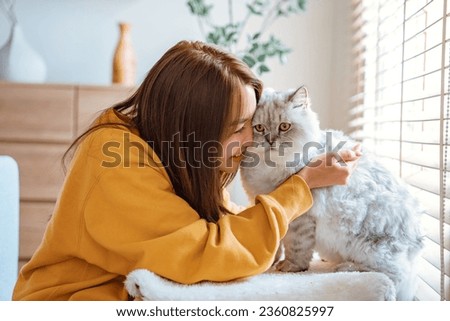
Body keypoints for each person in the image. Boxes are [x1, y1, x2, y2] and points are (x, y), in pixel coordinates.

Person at [13, 40, 361, 300]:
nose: (251, 138)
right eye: (239, 126)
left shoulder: (185, 157)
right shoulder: (114, 158)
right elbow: (214, 253)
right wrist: (302, 185)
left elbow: (226, 229)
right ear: (192, 127)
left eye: (251, 124)